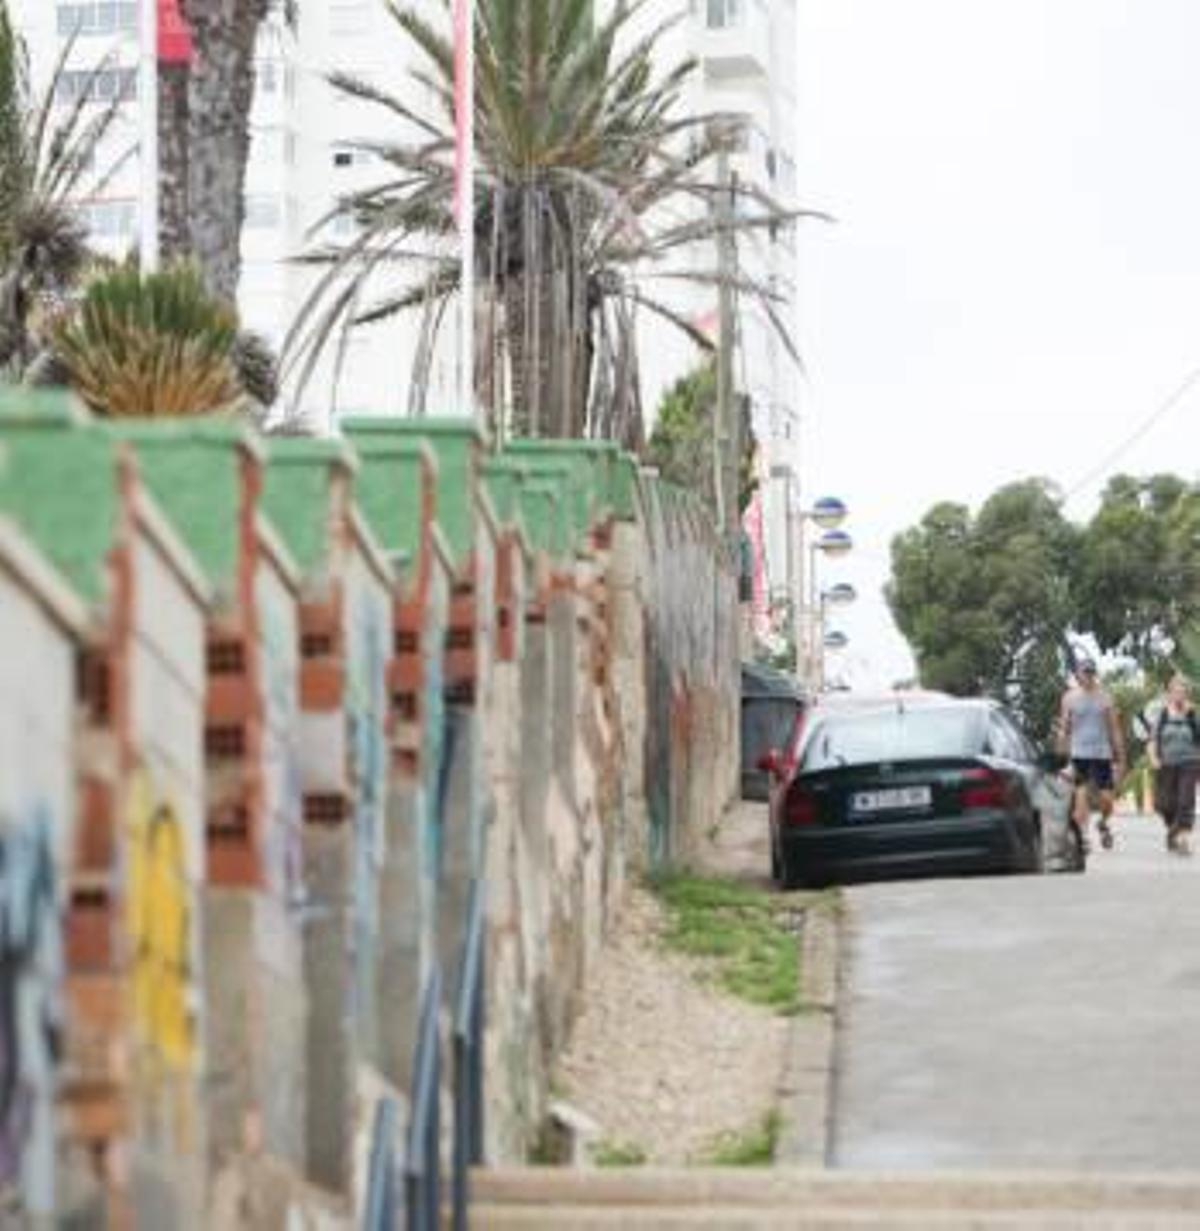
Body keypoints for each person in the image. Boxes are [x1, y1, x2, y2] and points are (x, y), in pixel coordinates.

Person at [1058, 657, 1126, 852]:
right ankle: (1083, 836)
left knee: (1107, 799)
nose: (1088, 676)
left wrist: (1121, 759)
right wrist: (1061, 756)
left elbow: (1114, 729)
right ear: (1078, 674)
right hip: (1079, 753)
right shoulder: (1069, 698)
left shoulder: (1105, 697)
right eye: (1084, 672)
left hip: (1102, 753)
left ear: (1094, 674)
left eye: (1091, 672)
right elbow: (1064, 728)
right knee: (1081, 795)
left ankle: (1103, 823)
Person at [1149, 674, 1200, 856]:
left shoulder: (1194, 713)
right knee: (1163, 805)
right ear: (1169, 694)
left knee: (1186, 802)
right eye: (1176, 692)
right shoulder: (1162, 714)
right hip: (1166, 764)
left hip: (1190, 762)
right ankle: (1173, 830)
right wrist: (1154, 757)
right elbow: (1153, 740)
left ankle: (1183, 839)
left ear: (1187, 694)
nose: (1180, 695)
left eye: (1183, 692)